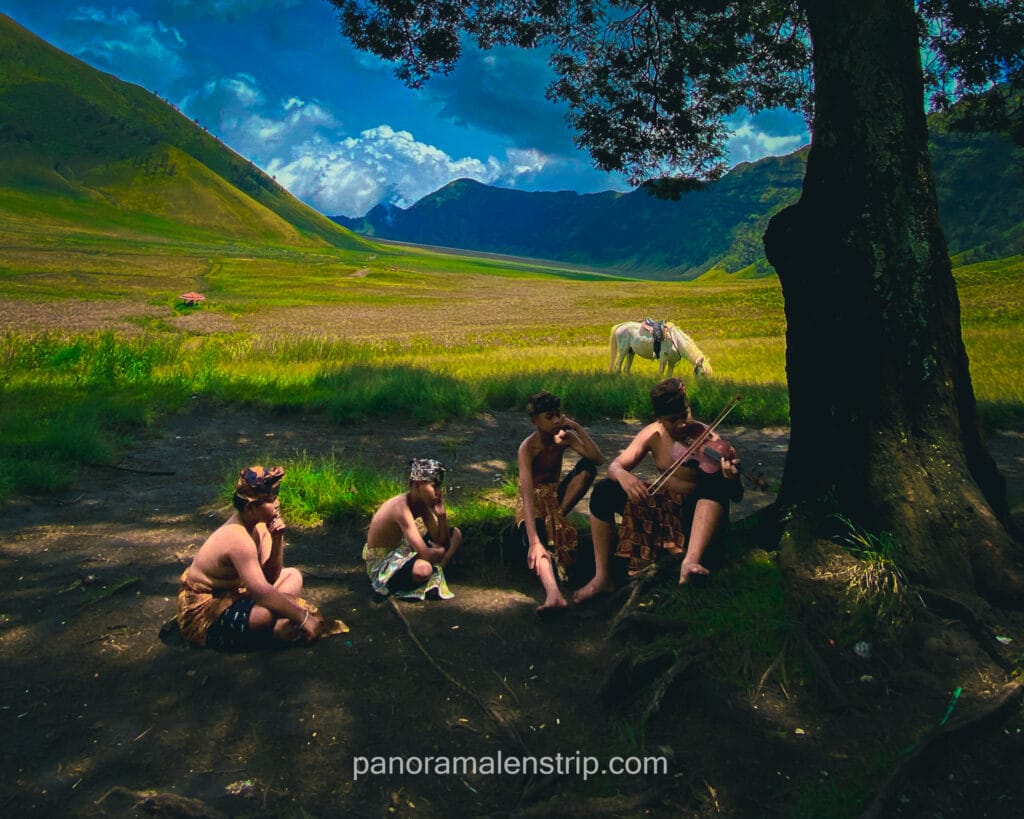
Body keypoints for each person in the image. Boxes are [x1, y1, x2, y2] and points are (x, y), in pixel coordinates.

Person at [573, 378, 742, 602]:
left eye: (685, 415)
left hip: (695, 518)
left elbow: (735, 495)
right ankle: (602, 577)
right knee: (604, 490)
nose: (682, 424)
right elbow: (615, 466)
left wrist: (730, 478)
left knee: (714, 485)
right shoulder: (653, 434)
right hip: (663, 509)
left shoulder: (710, 440)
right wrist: (624, 476)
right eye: (673, 420)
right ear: (659, 419)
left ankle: (690, 561)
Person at [176, 465, 324, 651]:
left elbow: (270, 577)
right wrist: (303, 617)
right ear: (251, 507)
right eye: (271, 500)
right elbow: (261, 592)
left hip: (239, 593)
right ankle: (274, 631)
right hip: (207, 608)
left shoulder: (259, 526)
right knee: (263, 615)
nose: (277, 503)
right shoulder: (238, 538)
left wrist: (278, 539)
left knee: (293, 576)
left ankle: (276, 624)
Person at [515, 390, 605, 618]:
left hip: (555, 499)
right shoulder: (528, 448)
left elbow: (598, 458)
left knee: (587, 469)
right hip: (533, 500)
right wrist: (534, 539)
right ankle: (553, 593)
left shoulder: (563, 438)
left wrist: (576, 427)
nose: (556, 421)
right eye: (549, 417)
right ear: (535, 421)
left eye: (559, 415)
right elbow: (525, 492)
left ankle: (557, 520)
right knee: (538, 544)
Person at [362, 458, 463, 600]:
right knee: (424, 569)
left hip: (403, 552)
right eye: (434, 487)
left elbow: (441, 541)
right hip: (384, 562)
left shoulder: (422, 504)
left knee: (456, 534)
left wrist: (441, 517)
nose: (438, 492)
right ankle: (435, 570)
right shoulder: (401, 508)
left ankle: (438, 567)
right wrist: (438, 552)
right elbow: (426, 555)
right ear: (417, 485)